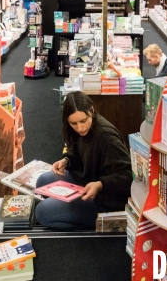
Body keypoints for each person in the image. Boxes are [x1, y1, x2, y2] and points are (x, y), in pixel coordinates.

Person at [35, 92, 132, 230]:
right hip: (86, 180)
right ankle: (70, 212)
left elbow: (128, 175)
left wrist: (100, 185)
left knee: (43, 212)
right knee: (42, 181)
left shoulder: (106, 137)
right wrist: (67, 161)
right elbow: (76, 152)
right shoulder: (76, 129)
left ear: (91, 111)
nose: (80, 128)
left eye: (83, 121)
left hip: (106, 197)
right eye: (73, 123)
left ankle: (94, 221)